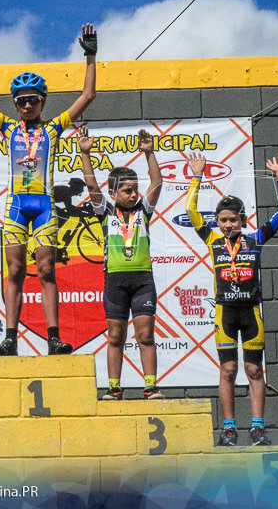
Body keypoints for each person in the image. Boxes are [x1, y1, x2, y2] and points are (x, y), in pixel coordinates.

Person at [0, 23, 97, 356]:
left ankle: (53, 337)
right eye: (22, 100)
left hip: (44, 206)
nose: (27, 106)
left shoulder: (54, 129)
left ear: (42, 103)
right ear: (15, 103)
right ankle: (10, 337)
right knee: (14, 269)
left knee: (46, 270)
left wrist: (90, 56)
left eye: (33, 101)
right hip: (16, 205)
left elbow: (87, 96)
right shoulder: (7, 127)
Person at [184, 151, 278, 447]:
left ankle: (258, 428)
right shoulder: (213, 240)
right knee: (228, 369)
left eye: (232, 219)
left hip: (251, 312)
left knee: (254, 370)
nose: (227, 225)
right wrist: (197, 177)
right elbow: (191, 213)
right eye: (222, 220)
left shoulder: (255, 239)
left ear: (242, 219)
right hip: (225, 313)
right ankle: (229, 429)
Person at [77, 124, 163, 400]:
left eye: (135, 189)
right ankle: (114, 388)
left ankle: (150, 385)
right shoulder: (105, 210)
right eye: (126, 190)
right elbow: (91, 183)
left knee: (145, 335)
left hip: (142, 281)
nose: (133, 194)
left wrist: (149, 153)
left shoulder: (144, 210)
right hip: (115, 280)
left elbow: (157, 183)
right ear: (113, 193)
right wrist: (85, 153)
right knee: (115, 337)